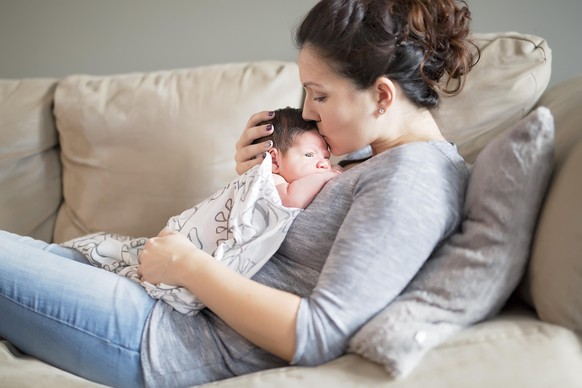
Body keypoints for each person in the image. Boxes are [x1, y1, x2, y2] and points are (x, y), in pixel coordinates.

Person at [0, 1, 478, 386]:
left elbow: (316, 333)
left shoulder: (412, 181)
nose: (307, 113)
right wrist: (257, 182)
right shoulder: (369, 157)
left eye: (320, 94)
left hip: (165, 336)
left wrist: (188, 265)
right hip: (153, 293)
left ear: (382, 95)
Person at [59, 107, 340, 316]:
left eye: (325, 158)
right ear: (274, 160)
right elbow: (291, 199)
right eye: (310, 156)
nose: (321, 165)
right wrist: (331, 176)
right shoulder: (271, 181)